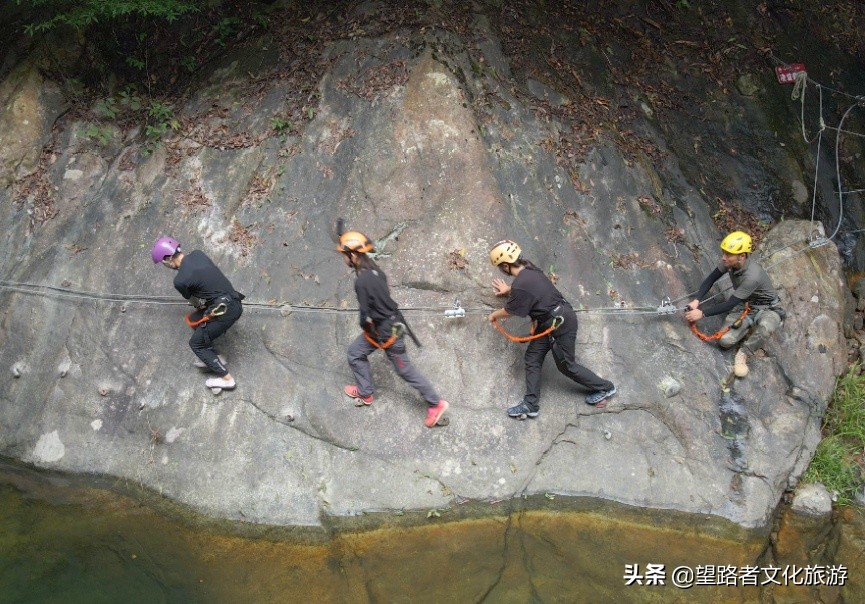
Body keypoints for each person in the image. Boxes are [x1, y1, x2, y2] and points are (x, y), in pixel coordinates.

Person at [487, 240, 616, 418]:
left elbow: (509, 311)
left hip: (560, 322)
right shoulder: (529, 270)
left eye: (500, 267)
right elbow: (530, 289)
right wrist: (509, 290)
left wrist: (494, 315)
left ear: (505, 266)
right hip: (549, 322)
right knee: (532, 357)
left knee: (566, 366)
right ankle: (531, 405)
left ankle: (606, 388)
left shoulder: (521, 284)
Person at [337, 230, 449, 428]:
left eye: (344, 255)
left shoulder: (361, 281)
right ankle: (365, 393)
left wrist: (371, 331)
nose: (343, 258)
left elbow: (364, 316)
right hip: (388, 325)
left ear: (352, 256)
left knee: (404, 370)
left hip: (386, 331)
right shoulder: (376, 271)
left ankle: (435, 403)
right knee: (355, 353)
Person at [684, 230, 784, 378]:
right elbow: (711, 279)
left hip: (768, 308)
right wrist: (697, 300)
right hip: (745, 306)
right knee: (724, 341)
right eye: (723, 253)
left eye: (728, 254)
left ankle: (743, 353)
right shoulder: (730, 263)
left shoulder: (752, 276)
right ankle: (747, 327)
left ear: (741, 256)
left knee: (766, 327)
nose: (723, 258)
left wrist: (702, 313)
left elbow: (729, 304)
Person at [151, 236, 244, 390]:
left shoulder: (180, 280)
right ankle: (215, 356)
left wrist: (201, 303)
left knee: (196, 344)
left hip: (224, 311)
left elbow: (194, 302)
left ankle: (227, 380)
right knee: (196, 319)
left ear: (167, 259)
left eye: (163, 263)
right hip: (234, 300)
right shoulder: (198, 254)